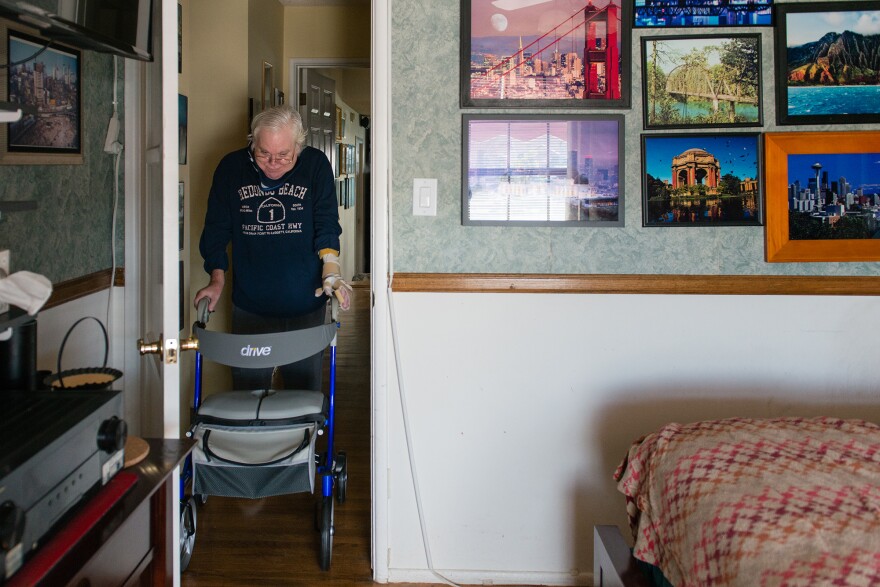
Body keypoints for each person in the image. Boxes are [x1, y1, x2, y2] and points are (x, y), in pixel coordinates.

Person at [194, 104, 352, 392]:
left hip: (304, 303)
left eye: (283, 155)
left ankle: (303, 439)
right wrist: (216, 279)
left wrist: (331, 269)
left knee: (302, 393)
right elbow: (216, 229)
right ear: (252, 142)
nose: (273, 163)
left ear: (299, 147)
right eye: (264, 153)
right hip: (251, 305)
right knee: (248, 393)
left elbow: (326, 222)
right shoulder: (231, 169)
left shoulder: (315, 166)